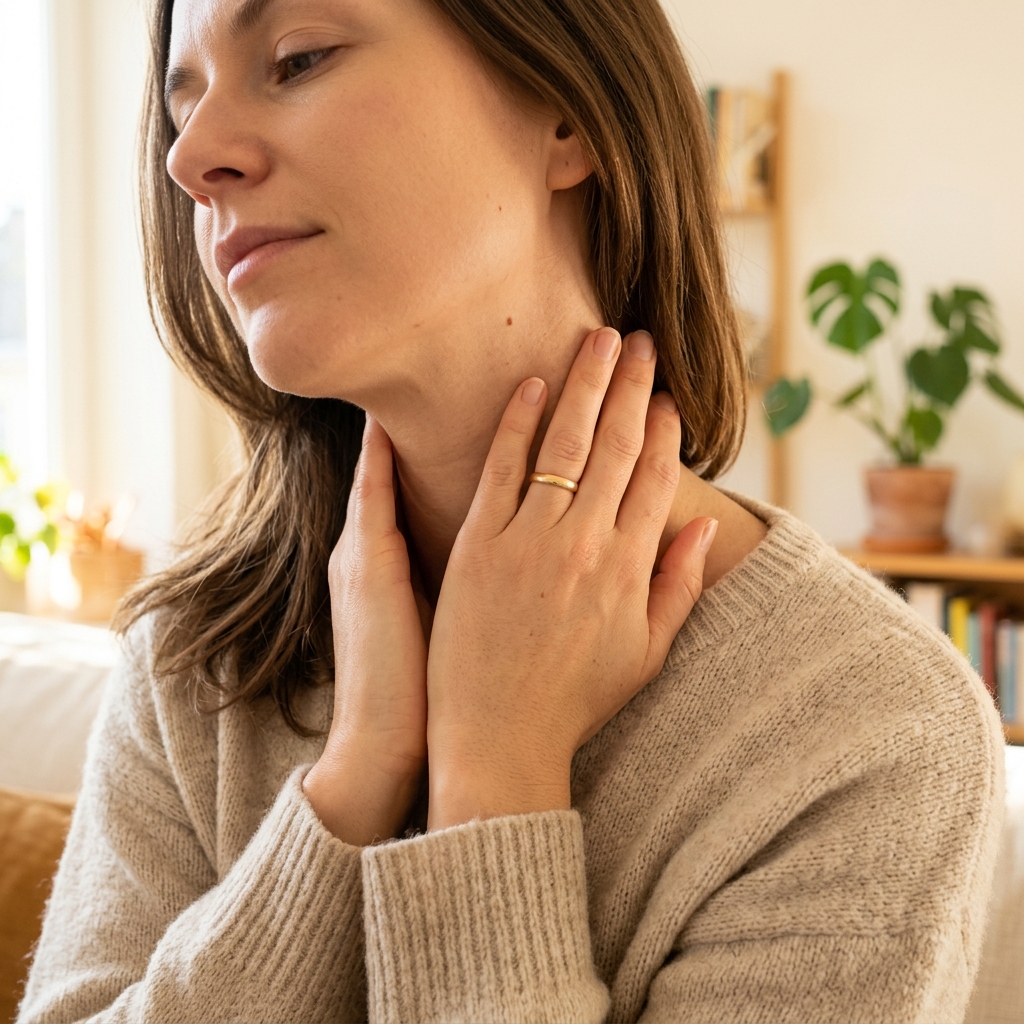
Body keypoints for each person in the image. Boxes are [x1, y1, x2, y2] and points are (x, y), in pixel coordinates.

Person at [20, 0, 1002, 1021]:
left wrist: (496, 771)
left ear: (566, 112)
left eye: (298, 58)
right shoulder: (195, 657)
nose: (194, 159)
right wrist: (350, 782)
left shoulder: (867, 732)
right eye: (184, 112)